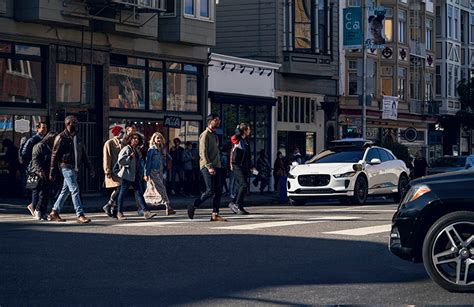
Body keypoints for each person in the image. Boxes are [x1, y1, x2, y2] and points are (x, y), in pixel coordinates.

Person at [48, 115, 94, 224]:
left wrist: (90, 168)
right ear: (68, 124)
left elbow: (84, 154)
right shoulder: (61, 137)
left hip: (75, 167)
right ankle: (80, 214)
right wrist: (52, 170)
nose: (77, 125)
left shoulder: (78, 137)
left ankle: (54, 211)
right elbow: (54, 155)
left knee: (66, 191)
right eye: (75, 123)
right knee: (74, 190)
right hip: (66, 167)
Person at [188, 114, 226, 221]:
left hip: (217, 165)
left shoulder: (215, 135)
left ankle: (215, 214)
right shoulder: (204, 135)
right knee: (210, 190)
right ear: (210, 122)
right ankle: (193, 205)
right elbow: (202, 153)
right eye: (216, 120)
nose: (218, 122)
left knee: (218, 190)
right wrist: (209, 166)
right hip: (207, 166)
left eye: (219, 120)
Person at [116, 132, 156, 221]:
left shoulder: (136, 150)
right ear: (130, 139)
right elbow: (120, 161)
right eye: (134, 138)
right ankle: (119, 212)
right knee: (122, 193)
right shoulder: (126, 149)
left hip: (135, 175)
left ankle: (146, 212)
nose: (136, 140)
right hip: (127, 175)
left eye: (137, 139)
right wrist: (129, 158)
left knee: (139, 193)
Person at [143, 132, 175, 215]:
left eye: (160, 138)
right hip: (153, 172)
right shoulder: (151, 150)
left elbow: (168, 159)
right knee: (162, 188)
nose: (159, 139)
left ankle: (143, 206)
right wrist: (146, 174)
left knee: (153, 190)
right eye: (157, 138)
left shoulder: (161, 150)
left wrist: (165, 154)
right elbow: (148, 162)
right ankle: (168, 206)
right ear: (153, 139)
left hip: (160, 171)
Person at [30, 131, 57, 220]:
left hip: (46, 172)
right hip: (39, 173)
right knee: (41, 193)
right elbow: (35, 160)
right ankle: (37, 210)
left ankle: (43, 211)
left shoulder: (50, 147)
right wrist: (40, 171)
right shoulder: (40, 146)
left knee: (46, 193)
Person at [228, 123, 254, 215]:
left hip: (243, 166)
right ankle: (236, 204)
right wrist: (238, 129)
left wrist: (251, 166)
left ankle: (237, 204)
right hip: (236, 165)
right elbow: (233, 137)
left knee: (241, 186)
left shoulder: (246, 141)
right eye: (248, 129)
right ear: (244, 130)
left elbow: (248, 155)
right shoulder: (238, 140)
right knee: (243, 184)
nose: (250, 131)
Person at [22, 122, 48, 215]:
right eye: (43, 128)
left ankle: (34, 206)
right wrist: (33, 160)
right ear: (38, 129)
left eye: (45, 128)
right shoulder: (33, 140)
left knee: (40, 188)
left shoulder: (44, 139)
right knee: (35, 188)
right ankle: (33, 206)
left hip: (42, 166)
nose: (44, 129)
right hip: (33, 167)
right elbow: (24, 153)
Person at [102, 125, 125, 218]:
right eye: (121, 132)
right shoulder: (109, 143)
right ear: (117, 133)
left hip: (121, 171)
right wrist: (107, 170)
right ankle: (109, 205)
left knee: (119, 189)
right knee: (119, 188)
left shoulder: (123, 144)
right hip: (113, 170)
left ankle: (113, 208)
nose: (123, 134)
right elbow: (106, 157)